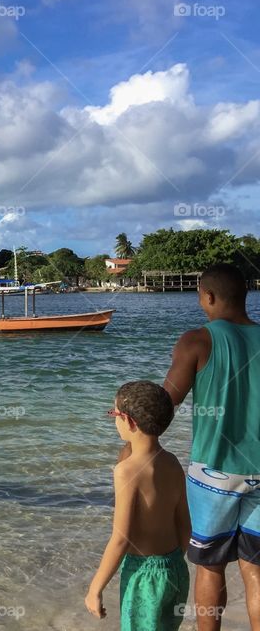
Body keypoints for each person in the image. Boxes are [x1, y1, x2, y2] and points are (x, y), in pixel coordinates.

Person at [160, 263, 260, 630]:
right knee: (257, 573)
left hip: (214, 475)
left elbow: (164, 405)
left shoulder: (196, 341)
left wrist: (130, 412)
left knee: (210, 568)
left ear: (209, 296)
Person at [86, 380, 191, 630]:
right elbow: (185, 525)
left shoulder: (126, 471)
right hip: (175, 567)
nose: (114, 420)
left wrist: (95, 588)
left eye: (114, 414)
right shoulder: (173, 462)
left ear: (130, 422)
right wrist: (171, 564)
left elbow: (121, 538)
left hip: (144, 575)